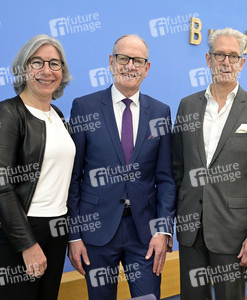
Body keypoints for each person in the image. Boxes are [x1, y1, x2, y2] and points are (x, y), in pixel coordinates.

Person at [173, 28, 247, 300]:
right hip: (190, 229)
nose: (226, 62)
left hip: (233, 231)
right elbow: (177, 169)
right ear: (208, 59)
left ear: (242, 63)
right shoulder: (187, 106)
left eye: (233, 56)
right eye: (220, 55)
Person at [67, 34, 175, 300]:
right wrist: (74, 235)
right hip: (96, 232)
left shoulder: (160, 112)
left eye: (137, 61)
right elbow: (72, 178)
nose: (130, 66)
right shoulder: (84, 107)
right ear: (111, 62)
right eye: (123, 58)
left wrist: (163, 230)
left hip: (145, 233)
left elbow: (166, 178)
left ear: (146, 68)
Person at [0, 34, 75, 300]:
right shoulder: (6, 113)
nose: (47, 71)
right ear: (24, 69)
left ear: (62, 72)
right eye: (37, 62)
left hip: (55, 229)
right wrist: (27, 243)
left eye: (55, 64)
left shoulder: (58, 116)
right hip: (14, 233)